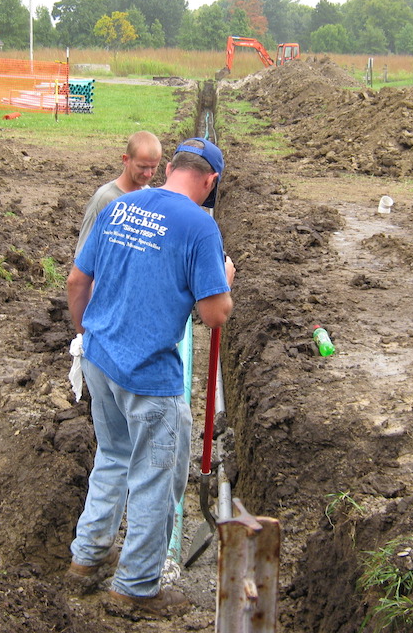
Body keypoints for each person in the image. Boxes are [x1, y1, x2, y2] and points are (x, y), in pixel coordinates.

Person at [65, 138, 236, 617]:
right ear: (209, 181)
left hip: (100, 359)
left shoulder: (121, 205)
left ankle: (87, 558)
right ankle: (137, 587)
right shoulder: (200, 226)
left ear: (170, 169)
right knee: (155, 478)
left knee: (114, 457)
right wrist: (222, 276)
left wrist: (86, 333)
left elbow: (78, 280)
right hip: (148, 375)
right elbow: (214, 312)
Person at [75, 131, 163, 256]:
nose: (148, 174)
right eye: (142, 167)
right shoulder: (105, 199)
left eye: (153, 167)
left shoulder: (148, 195)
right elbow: (83, 253)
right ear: (126, 160)